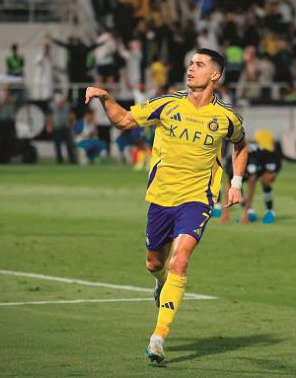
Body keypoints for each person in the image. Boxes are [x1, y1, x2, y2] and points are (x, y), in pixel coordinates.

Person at [84, 48, 248, 364]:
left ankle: (158, 337)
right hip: (160, 198)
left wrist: (236, 183)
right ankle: (160, 283)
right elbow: (124, 121)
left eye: (199, 65)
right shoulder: (167, 104)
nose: (191, 69)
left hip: (198, 199)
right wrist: (105, 98)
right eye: (190, 63)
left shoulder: (226, 117)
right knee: (154, 263)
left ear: (214, 74)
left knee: (180, 261)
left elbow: (241, 145)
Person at [221, 129, 281, 224]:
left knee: (265, 180)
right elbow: (228, 186)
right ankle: (250, 212)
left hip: (269, 160)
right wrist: (225, 213)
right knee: (236, 186)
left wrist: (245, 215)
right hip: (255, 163)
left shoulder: (251, 162)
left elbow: (251, 187)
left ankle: (270, 212)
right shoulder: (230, 162)